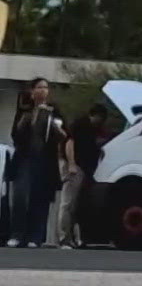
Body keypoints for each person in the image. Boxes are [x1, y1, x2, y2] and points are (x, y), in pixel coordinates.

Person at [7, 78, 66, 248]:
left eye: (46, 88)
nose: (43, 91)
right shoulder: (25, 110)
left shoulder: (53, 111)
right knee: (20, 196)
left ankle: (35, 236)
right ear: (32, 91)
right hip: (25, 159)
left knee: (40, 198)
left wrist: (54, 125)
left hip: (45, 161)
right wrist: (27, 118)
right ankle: (17, 234)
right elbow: (15, 135)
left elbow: (63, 134)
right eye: (39, 87)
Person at [55, 103, 107, 248]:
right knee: (67, 203)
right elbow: (69, 143)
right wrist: (71, 164)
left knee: (73, 205)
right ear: (95, 115)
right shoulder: (80, 124)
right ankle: (63, 238)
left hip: (81, 168)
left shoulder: (93, 129)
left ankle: (70, 238)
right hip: (74, 166)